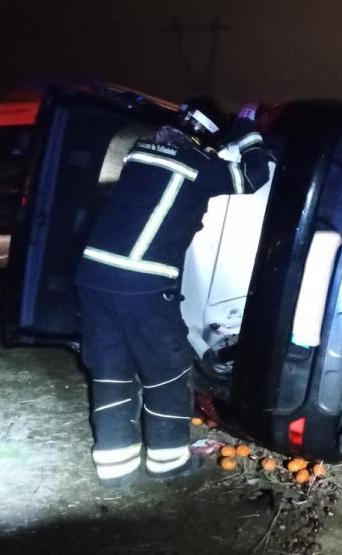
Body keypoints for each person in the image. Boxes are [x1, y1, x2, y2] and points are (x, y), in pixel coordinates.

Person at [74, 98, 271, 487]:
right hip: (141, 282)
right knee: (167, 370)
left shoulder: (140, 154)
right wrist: (248, 133)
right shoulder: (195, 165)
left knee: (112, 369)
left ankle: (115, 468)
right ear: (200, 138)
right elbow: (254, 176)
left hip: (94, 276)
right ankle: (168, 461)